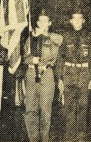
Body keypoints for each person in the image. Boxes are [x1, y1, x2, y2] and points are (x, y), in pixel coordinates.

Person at [23, 9, 63, 142]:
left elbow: (60, 41)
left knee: (45, 110)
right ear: (37, 22)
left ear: (49, 23)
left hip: (46, 74)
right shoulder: (30, 38)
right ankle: (33, 138)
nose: (43, 23)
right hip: (31, 73)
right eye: (40, 21)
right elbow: (24, 56)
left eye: (46, 21)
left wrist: (43, 33)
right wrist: (30, 60)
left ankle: (44, 138)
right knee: (30, 109)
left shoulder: (54, 37)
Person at [56, 7, 91, 141]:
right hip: (68, 74)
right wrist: (60, 78)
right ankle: (70, 136)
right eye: (74, 18)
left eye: (80, 18)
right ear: (71, 21)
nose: (77, 21)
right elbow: (60, 58)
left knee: (83, 106)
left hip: (84, 74)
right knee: (69, 106)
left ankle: (81, 136)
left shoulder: (90, 36)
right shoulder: (65, 36)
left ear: (83, 20)